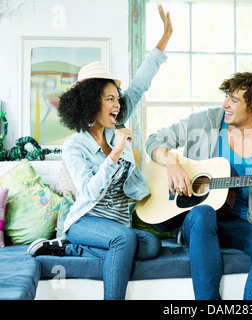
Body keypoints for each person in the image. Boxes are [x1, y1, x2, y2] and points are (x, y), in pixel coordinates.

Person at [27, 4, 173, 300]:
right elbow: (88, 193)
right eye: (110, 99)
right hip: (86, 222)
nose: (118, 105)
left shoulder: (115, 122)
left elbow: (142, 81)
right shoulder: (74, 146)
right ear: (91, 103)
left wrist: (166, 35)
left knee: (151, 245)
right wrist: (115, 154)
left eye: (118, 99)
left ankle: (69, 247)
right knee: (123, 239)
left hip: (117, 224)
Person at [145, 72, 252, 300]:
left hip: (239, 223)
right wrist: (171, 163)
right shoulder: (204, 122)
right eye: (227, 96)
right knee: (204, 211)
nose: (225, 103)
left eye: (234, 100)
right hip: (198, 220)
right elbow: (153, 141)